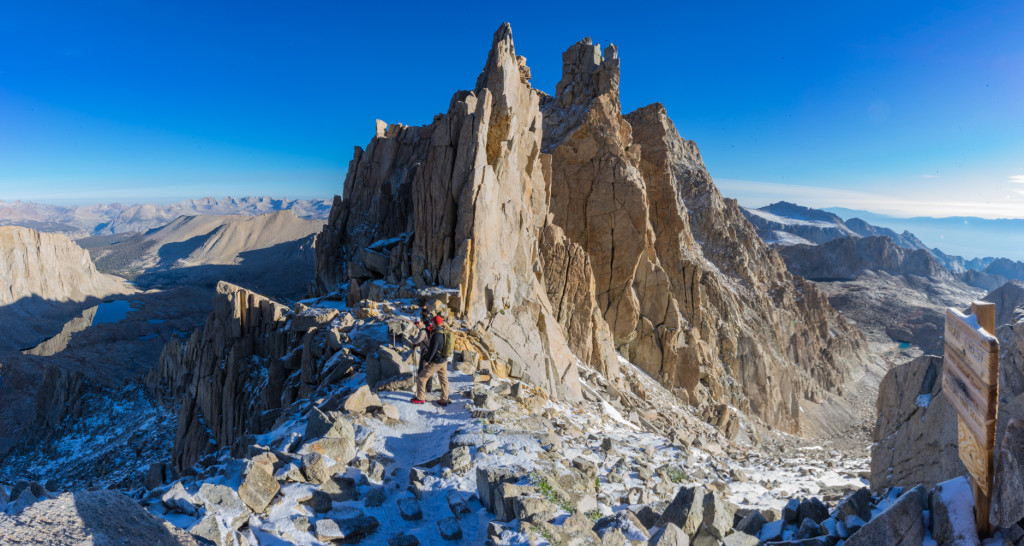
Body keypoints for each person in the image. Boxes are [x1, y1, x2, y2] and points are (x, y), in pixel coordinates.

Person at [411, 315, 452, 406]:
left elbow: (432, 350)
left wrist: (427, 360)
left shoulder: (436, 335)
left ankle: (420, 398)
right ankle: (444, 399)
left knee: (422, 377)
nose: (431, 324)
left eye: (432, 322)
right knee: (444, 379)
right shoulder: (443, 331)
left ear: (435, 323)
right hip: (444, 359)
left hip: (437, 361)